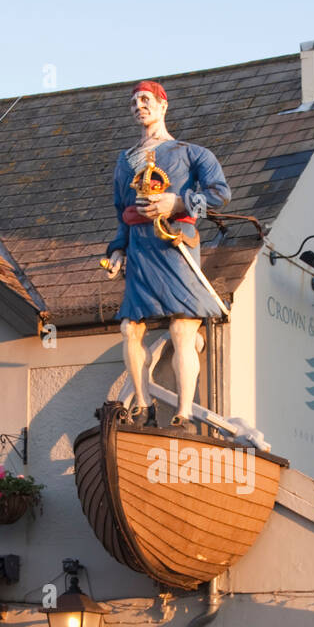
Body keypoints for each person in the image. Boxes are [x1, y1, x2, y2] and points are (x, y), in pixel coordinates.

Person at [104, 80, 231, 431]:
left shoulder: (191, 153)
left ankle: (185, 412)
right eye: (133, 102)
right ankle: (143, 406)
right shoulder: (125, 160)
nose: (139, 106)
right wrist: (118, 249)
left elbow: (220, 197)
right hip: (142, 250)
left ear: (163, 105)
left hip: (177, 245)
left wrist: (177, 201)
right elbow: (122, 212)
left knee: (182, 328)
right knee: (130, 327)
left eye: (145, 100)